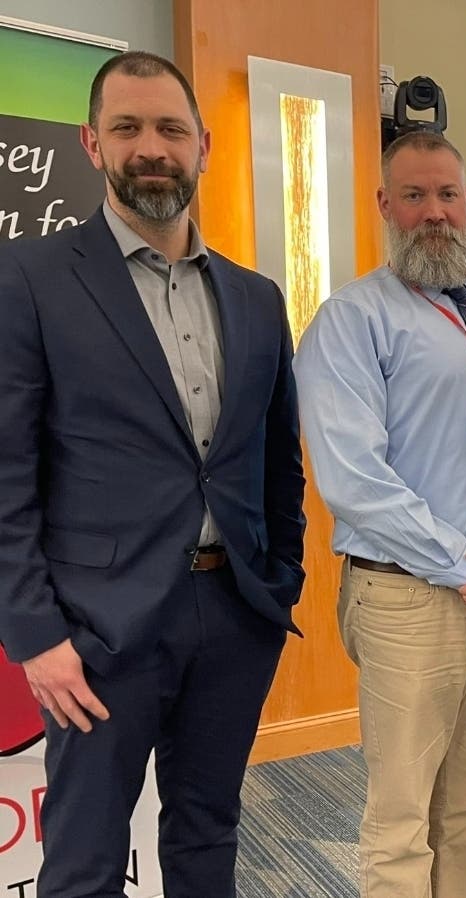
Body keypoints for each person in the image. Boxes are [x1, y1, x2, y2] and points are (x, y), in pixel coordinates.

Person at [0, 51, 306, 897]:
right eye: (127, 127)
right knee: (85, 859)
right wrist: (35, 636)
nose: (151, 148)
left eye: (170, 128)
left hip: (234, 615)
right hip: (96, 633)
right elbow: (7, 474)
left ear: (203, 145)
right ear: (91, 143)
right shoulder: (27, 278)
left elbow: (278, 460)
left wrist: (280, 585)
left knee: (208, 833)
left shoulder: (256, 297)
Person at [292, 128, 466, 898]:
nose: (433, 212)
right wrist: (461, 563)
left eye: (447, 194)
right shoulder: (351, 320)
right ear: (385, 205)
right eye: (414, 195)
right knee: (402, 817)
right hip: (406, 597)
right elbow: (352, 478)